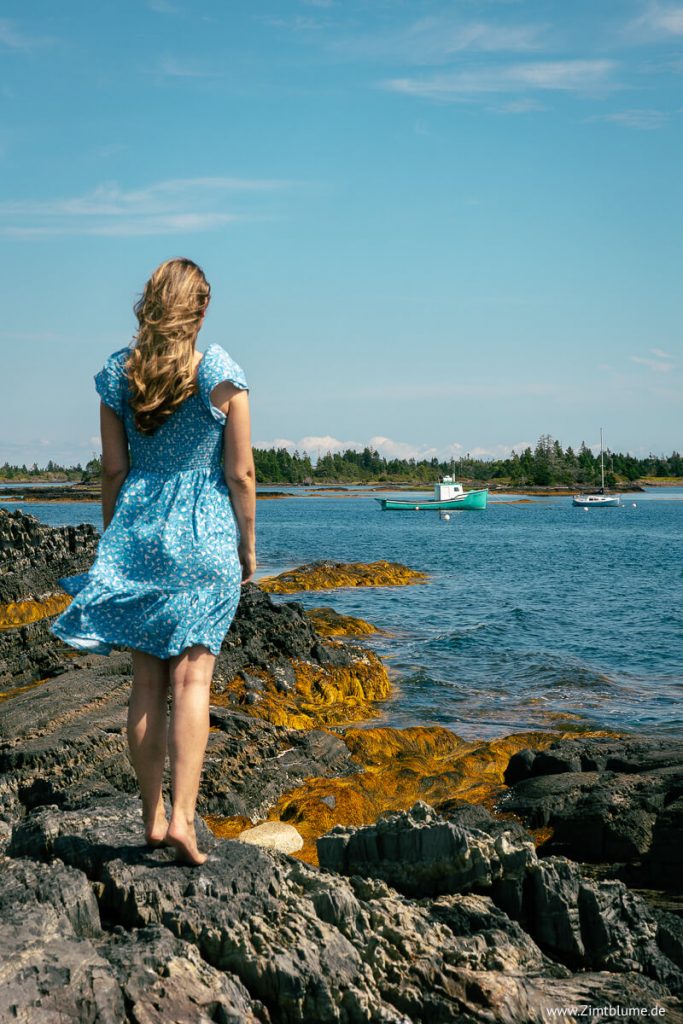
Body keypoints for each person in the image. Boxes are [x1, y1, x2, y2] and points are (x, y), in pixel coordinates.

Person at [50, 258, 256, 866]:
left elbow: (113, 469)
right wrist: (247, 546)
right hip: (206, 536)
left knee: (145, 682)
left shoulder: (119, 374)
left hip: (140, 531)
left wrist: (114, 538)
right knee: (194, 680)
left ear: (149, 303)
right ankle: (186, 821)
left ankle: (151, 817)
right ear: (200, 309)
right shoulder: (221, 372)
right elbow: (240, 474)